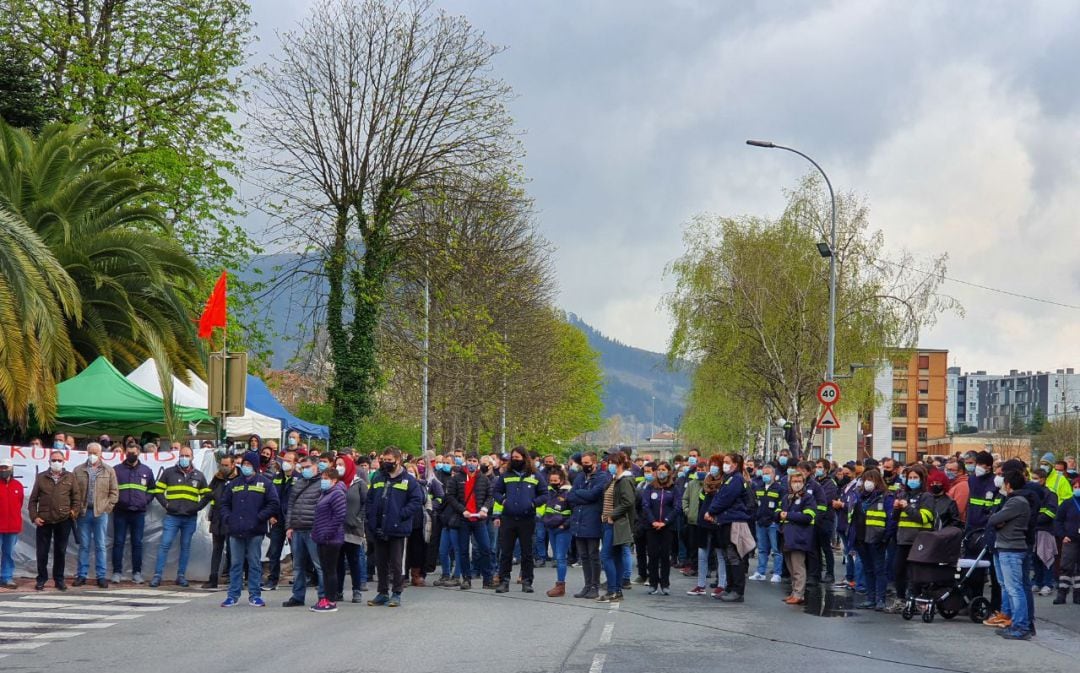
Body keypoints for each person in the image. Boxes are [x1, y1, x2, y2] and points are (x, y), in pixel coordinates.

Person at [219, 451, 279, 607]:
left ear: (255, 466)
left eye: (249, 464)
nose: (245, 467)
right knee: (236, 564)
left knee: (254, 563)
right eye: (244, 464)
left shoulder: (265, 483)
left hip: (255, 531)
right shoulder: (234, 484)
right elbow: (224, 504)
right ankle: (233, 595)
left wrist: (259, 517)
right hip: (236, 530)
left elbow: (273, 503)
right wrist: (228, 518)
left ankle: (255, 595)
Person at [366, 446, 424, 607]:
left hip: (397, 528)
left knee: (397, 563)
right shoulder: (377, 478)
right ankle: (382, 592)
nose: (386, 463)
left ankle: (396, 593)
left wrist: (401, 514)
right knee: (381, 562)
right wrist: (370, 517)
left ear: (398, 460)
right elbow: (370, 499)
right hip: (378, 527)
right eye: (383, 460)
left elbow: (416, 501)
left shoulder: (409, 480)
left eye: (389, 460)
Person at [149, 445, 211, 588]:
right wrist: (167, 505)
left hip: (189, 518)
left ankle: (181, 576)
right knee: (164, 545)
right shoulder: (169, 473)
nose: (184, 458)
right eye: (182, 455)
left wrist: (197, 507)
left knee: (185, 547)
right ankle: (157, 576)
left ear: (192, 457)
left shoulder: (199, 475)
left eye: (187, 456)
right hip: (172, 516)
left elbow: (207, 495)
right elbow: (157, 491)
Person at [492, 446, 547, 594]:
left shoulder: (535, 475)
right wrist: (503, 501)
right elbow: (496, 491)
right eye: (513, 458)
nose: (514, 460)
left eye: (517, 458)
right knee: (506, 552)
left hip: (527, 519)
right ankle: (504, 581)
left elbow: (544, 494)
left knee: (527, 552)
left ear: (524, 458)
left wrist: (533, 503)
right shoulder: (506, 474)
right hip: (508, 518)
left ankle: (527, 581)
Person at [886, 464, 935, 612]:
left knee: (916, 573)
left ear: (922, 479)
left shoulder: (926, 497)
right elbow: (895, 518)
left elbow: (923, 518)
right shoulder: (904, 495)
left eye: (915, 478)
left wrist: (907, 507)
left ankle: (917, 600)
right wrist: (896, 508)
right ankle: (901, 599)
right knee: (898, 570)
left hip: (919, 540)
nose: (912, 480)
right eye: (910, 478)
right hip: (903, 539)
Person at [703, 453, 752, 602]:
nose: (724, 465)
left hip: (734, 521)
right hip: (725, 521)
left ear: (735, 464)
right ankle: (730, 587)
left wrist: (711, 511)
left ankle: (738, 591)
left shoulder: (736, 479)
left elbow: (726, 498)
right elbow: (719, 497)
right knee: (727, 555)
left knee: (734, 556)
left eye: (727, 462)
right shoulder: (728, 479)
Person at [990, 470, 1033, 639]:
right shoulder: (1015, 501)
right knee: (1011, 587)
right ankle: (1016, 622)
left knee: (1015, 589)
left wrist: (999, 521)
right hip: (1007, 548)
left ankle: (1021, 626)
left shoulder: (1016, 502)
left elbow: (993, 519)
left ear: (1008, 485)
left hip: (1011, 549)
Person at [443, 452, 495, 591]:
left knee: (486, 548)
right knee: (463, 551)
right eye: (469, 460)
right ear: (465, 461)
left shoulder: (483, 479)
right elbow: (450, 497)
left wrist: (484, 508)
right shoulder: (457, 478)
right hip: (463, 519)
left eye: (474, 460)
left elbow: (490, 496)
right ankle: (466, 578)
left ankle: (488, 579)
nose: (472, 463)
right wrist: (462, 510)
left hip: (479, 519)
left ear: (477, 462)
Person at [29, 450, 80, 591]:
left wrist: (73, 512)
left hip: (63, 520)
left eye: (59, 460)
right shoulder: (41, 477)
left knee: (60, 551)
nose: (56, 462)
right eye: (54, 460)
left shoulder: (70, 477)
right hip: (44, 520)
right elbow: (33, 500)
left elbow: (77, 498)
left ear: (63, 462)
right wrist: (34, 517)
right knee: (42, 552)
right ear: (49, 462)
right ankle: (41, 579)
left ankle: (59, 580)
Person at [72, 442, 118, 588]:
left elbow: (114, 492)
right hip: (83, 512)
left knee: (100, 545)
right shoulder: (78, 470)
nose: (92, 456)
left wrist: (107, 508)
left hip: (100, 513)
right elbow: (73, 492)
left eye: (95, 453)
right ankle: (82, 575)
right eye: (90, 453)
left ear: (100, 454)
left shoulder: (109, 470)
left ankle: (101, 576)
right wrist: (76, 508)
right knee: (84, 545)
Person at [283, 454, 326, 607]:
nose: (305, 470)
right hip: (297, 530)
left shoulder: (323, 483)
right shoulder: (299, 483)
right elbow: (291, 506)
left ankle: (323, 597)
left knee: (319, 565)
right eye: (303, 468)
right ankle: (298, 596)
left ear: (316, 466)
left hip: (313, 530)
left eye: (308, 467)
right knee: (298, 566)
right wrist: (289, 526)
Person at [850, 468, 894, 610]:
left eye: (871, 479)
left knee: (879, 570)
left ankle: (880, 599)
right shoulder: (859, 496)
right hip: (861, 538)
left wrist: (884, 538)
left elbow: (891, 519)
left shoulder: (886, 497)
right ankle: (870, 598)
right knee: (868, 569)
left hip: (877, 539)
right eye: (866, 479)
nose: (868, 483)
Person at [567, 451, 610, 599]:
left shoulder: (603, 477)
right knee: (583, 556)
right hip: (578, 520)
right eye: (582, 463)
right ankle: (586, 585)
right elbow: (570, 496)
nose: (584, 466)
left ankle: (594, 586)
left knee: (593, 555)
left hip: (592, 521)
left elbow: (594, 495)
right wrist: (582, 494)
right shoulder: (579, 476)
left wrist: (580, 493)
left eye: (587, 463)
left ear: (594, 463)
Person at [112, 440, 155, 584]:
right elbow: (110, 489)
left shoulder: (146, 471)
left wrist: (145, 501)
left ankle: (137, 573)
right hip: (120, 512)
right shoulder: (116, 470)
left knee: (137, 543)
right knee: (118, 542)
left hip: (138, 512)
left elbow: (152, 490)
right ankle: (117, 572)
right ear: (125, 453)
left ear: (139, 454)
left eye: (134, 453)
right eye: (129, 453)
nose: (131, 455)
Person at [598, 450, 636, 603]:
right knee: (615, 557)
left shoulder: (625, 480)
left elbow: (628, 502)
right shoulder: (614, 479)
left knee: (606, 556)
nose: (609, 466)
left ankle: (613, 589)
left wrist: (612, 515)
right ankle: (616, 590)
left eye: (612, 463)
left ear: (620, 464)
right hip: (609, 523)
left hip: (616, 523)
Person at [310, 464, 348, 612]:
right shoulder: (325, 493)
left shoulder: (337, 493)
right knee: (325, 570)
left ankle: (331, 601)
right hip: (321, 537)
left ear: (333, 480)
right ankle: (325, 598)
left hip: (331, 539)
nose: (323, 481)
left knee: (330, 570)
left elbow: (339, 516)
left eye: (325, 478)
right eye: (322, 478)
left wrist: (326, 533)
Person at [779, 469, 817, 605]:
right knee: (790, 567)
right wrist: (779, 515)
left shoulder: (808, 498)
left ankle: (799, 594)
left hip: (799, 536)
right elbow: (778, 511)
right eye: (794, 481)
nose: (797, 484)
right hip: (787, 536)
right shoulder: (787, 497)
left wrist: (788, 515)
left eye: (799, 481)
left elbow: (808, 516)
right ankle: (794, 591)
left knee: (798, 567)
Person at [642, 461, 679, 594]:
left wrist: (665, 522)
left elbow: (676, 507)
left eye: (663, 469)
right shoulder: (650, 487)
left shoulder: (674, 488)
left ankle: (665, 584)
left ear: (669, 472)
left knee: (664, 556)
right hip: (651, 527)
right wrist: (653, 521)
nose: (660, 472)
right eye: (658, 469)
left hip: (667, 527)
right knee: (652, 555)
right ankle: (653, 583)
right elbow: (645, 505)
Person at [263, 449, 295, 591]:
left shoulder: (298, 478)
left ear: (295, 463)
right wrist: (271, 515)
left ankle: (300, 578)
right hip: (277, 520)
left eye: (289, 461)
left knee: (297, 552)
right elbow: (270, 498)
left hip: (293, 521)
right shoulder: (276, 477)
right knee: (274, 552)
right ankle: (272, 580)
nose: (286, 463)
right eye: (284, 460)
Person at [203, 454, 237, 589]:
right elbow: (208, 493)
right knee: (216, 549)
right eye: (221, 465)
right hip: (217, 518)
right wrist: (197, 507)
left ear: (233, 465)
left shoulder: (237, 479)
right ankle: (213, 578)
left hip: (231, 519)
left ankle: (233, 579)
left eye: (226, 465)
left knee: (233, 550)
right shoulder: (217, 478)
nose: (223, 468)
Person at [338, 454, 368, 602]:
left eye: (342, 464)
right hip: (336, 528)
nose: (339, 467)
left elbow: (366, 503)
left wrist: (359, 518)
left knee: (353, 560)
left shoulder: (359, 483)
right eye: (337, 464)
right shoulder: (334, 482)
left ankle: (356, 590)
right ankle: (338, 591)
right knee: (338, 561)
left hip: (353, 528)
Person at [542, 466, 574, 596]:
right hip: (551, 529)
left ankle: (560, 585)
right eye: (551, 480)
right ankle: (560, 585)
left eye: (555, 480)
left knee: (561, 558)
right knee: (557, 557)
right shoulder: (548, 492)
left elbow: (574, 513)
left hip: (562, 530)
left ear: (561, 480)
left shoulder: (569, 493)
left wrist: (564, 525)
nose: (553, 483)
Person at [749, 464, 785, 583]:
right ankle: (760, 572)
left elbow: (782, 505)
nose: (765, 475)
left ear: (774, 475)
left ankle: (777, 573)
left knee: (776, 550)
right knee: (762, 550)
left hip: (773, 524)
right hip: (760, 523)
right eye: (764, 473)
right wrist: (756, 517)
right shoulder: (758, 487)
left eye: (768, 473)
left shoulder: (779, 489)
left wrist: (775, 519)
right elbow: (755, 504)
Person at [1053, 478, 1080, 604]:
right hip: (1070, 539)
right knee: (1066, 567)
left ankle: (1078, 594)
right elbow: (1058, 520)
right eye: (1075, 486)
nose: (1077, 489)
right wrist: (1062, 535)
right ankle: (1061, 594)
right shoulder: (1067, 503)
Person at [0, 456, 25, 588]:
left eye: (6, 467)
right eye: (1, 467)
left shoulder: (18, 486)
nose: (4, 470)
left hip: (12, 527)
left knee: (8, 553)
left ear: (12, 469)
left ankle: (6, 576)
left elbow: (19, 503)